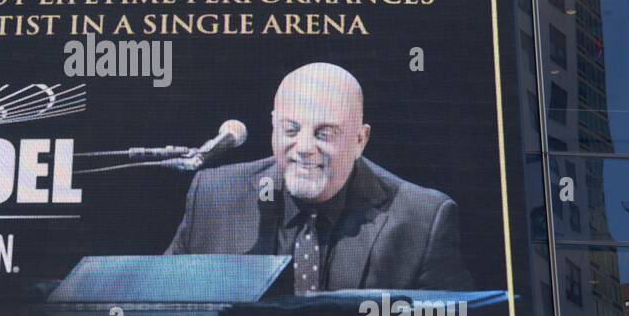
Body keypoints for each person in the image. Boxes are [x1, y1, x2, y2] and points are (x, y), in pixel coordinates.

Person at [165, 62, 471, 292]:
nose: (305, 148)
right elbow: (158, 301)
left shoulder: (422, 219)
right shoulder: (215, 196)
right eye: (291, 130)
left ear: (360, 140)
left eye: (324, 133)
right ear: (274, 126)